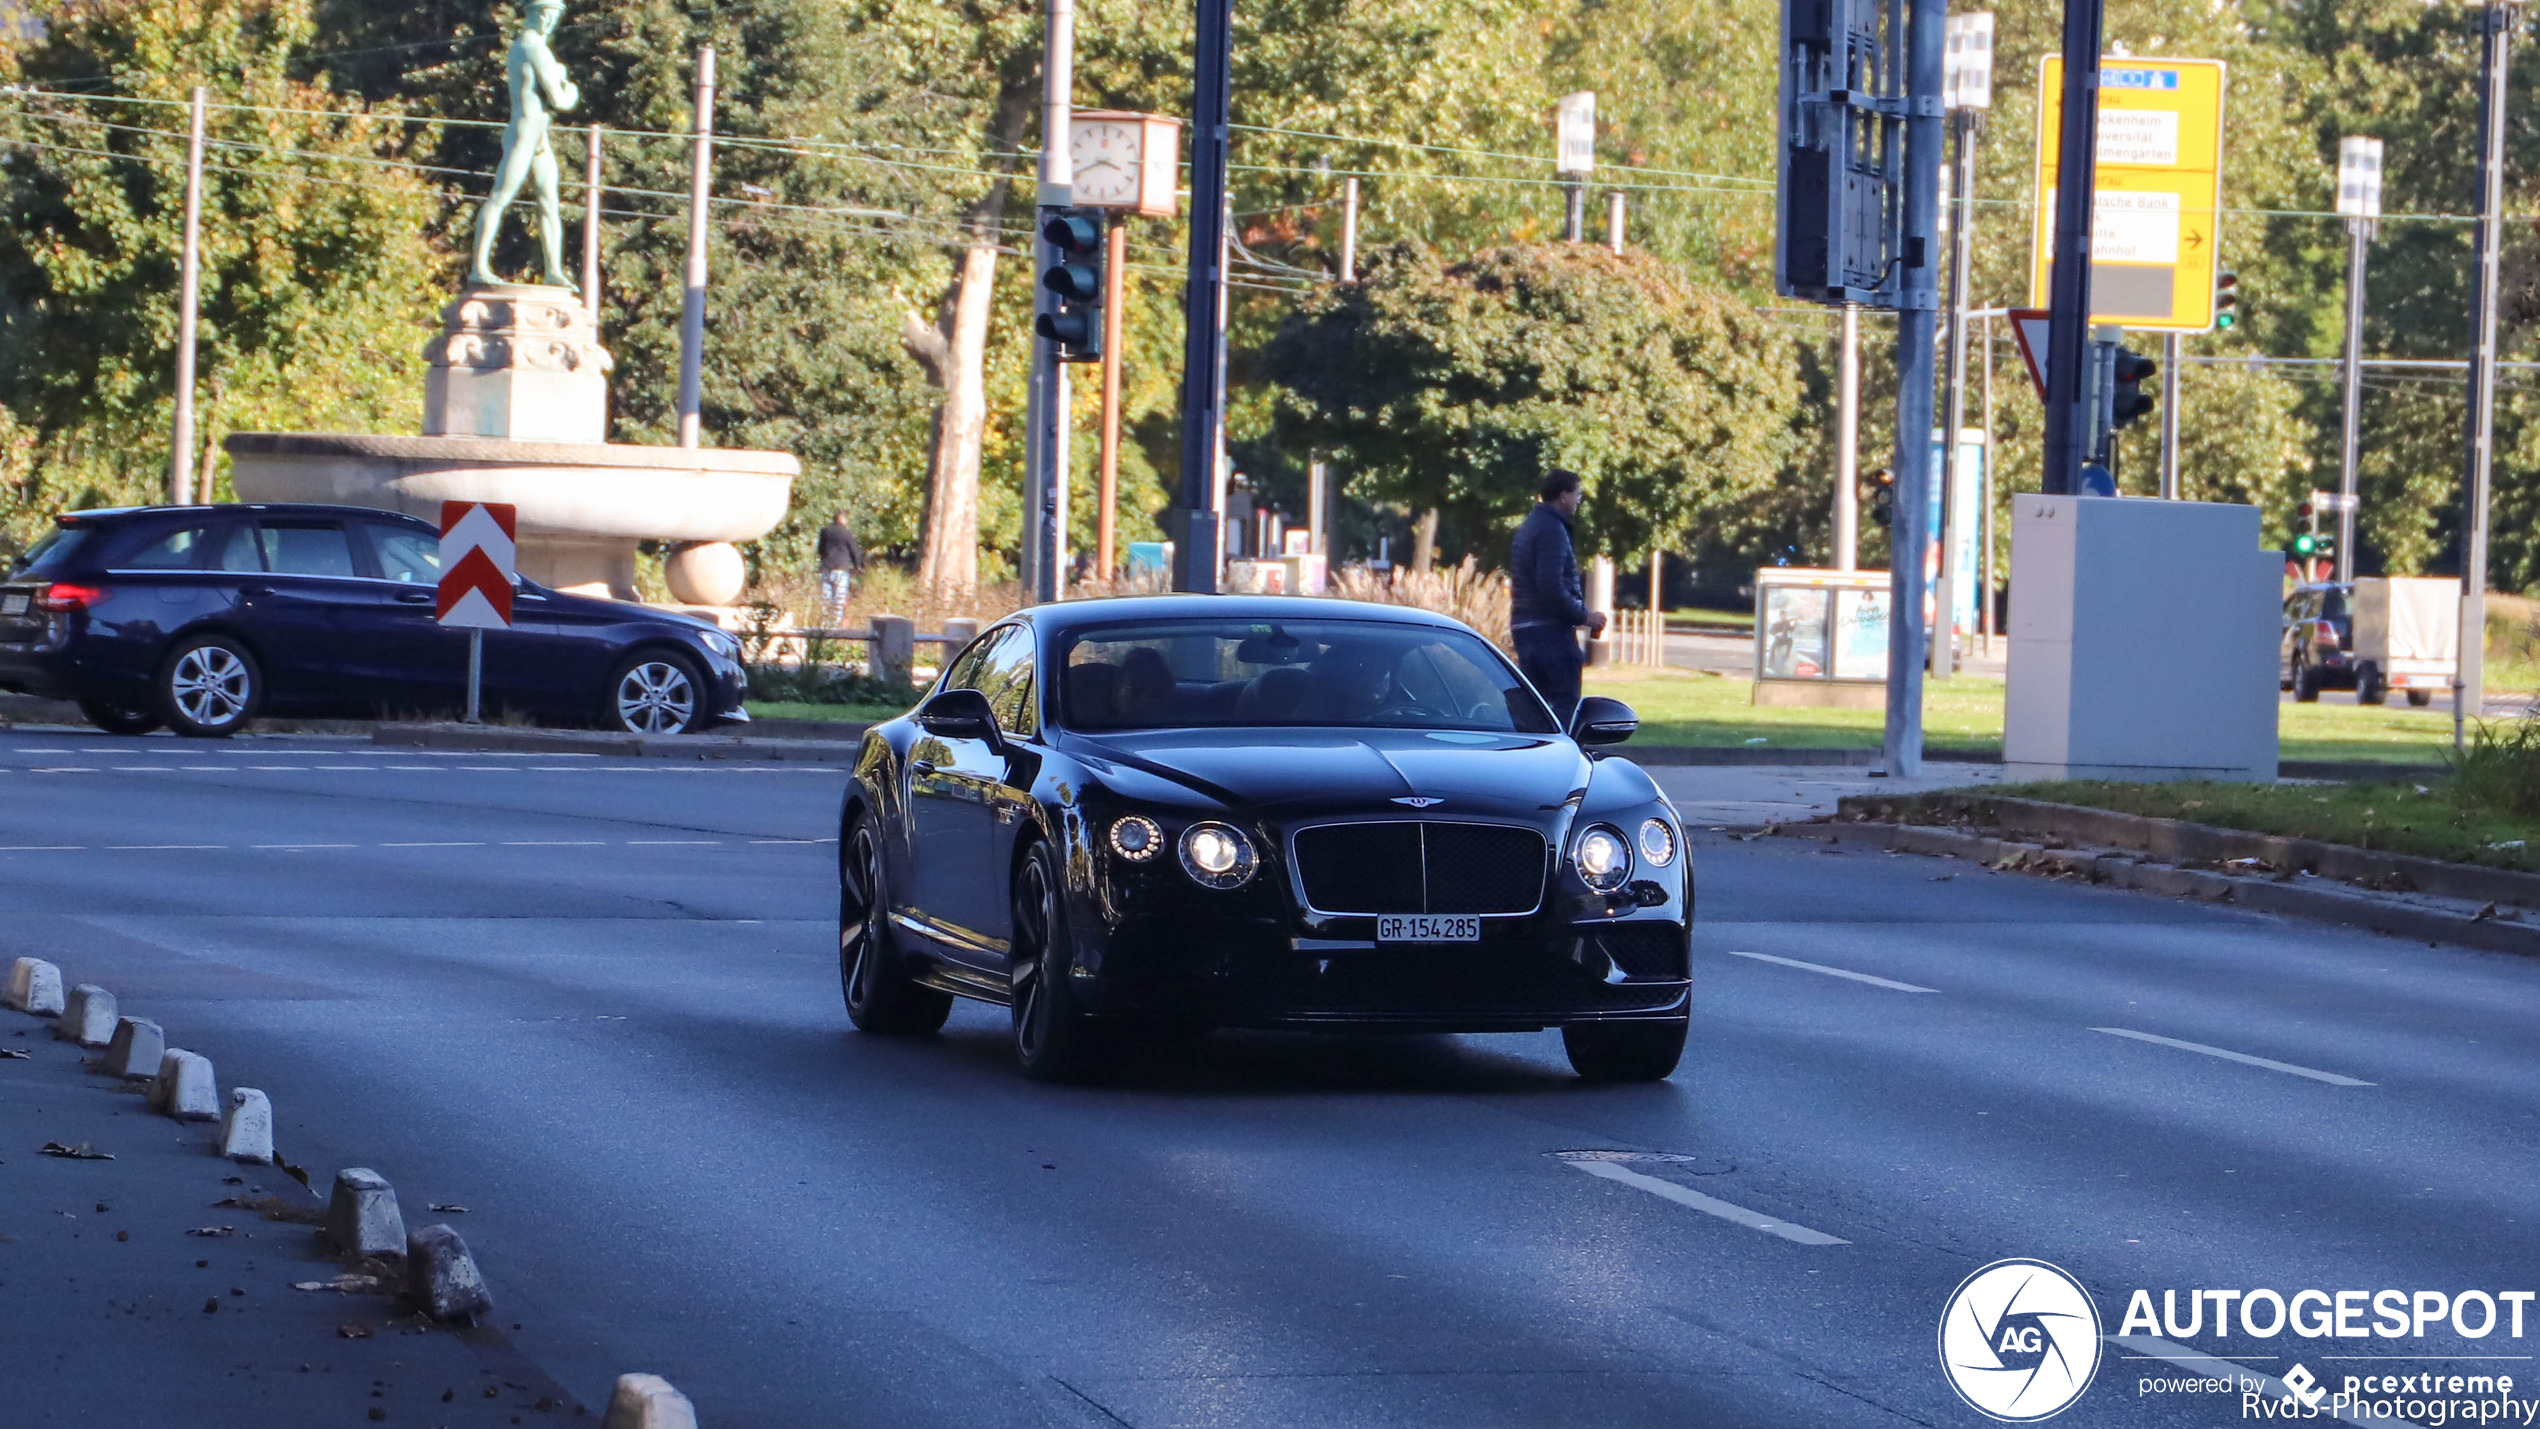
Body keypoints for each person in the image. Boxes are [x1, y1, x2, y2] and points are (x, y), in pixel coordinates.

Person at [1509, 467, 1605, 726]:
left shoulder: (1530, 525)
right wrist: (1585, 616)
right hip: (1550, 632)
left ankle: (1529, 757)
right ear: (1562, 496)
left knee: (1534, 709)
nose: (1578, 501)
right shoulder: (1552, 530)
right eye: (1577, 494)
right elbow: (1550, 586)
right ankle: (1558, 757)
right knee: (1565, 704)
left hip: (1525, 629)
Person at [817, 511, 864, 627]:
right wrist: (858, 565)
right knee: (839, 599)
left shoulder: (825, 531)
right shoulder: (847, 533)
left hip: (827, 568)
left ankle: (825, 625)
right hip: (841, 569)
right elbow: (854, 551)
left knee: (826, 599)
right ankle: (836, 625)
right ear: (843, 519)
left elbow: (820, 550)